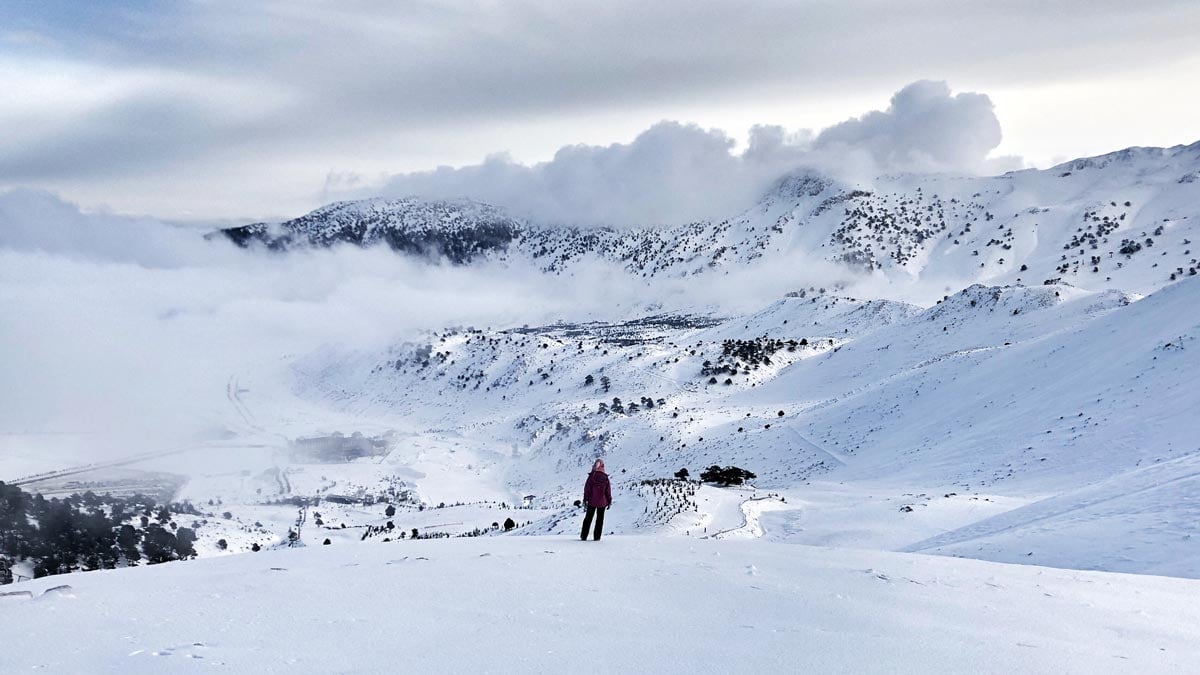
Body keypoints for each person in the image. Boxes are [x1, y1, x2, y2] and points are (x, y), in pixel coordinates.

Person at [580, 458, 612, 541]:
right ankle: (597, 537)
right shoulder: (605, 478)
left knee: (588, 518)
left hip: (592, 501)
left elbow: (587, 489)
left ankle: (584, 536)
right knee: (600, 520)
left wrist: (585, 500)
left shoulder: (591, 477)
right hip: (602, 502)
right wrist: (609, 501)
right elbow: (607, 491)